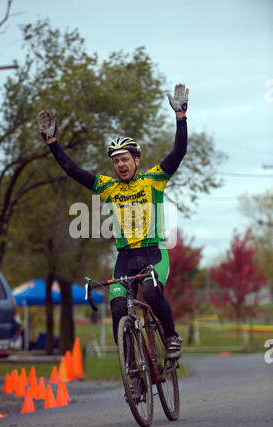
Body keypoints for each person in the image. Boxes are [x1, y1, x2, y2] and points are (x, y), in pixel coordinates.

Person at [37, 83, 188, 359]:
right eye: (116, 160)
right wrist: (52, 143)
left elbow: (178, 153)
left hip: (154, 252)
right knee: (117, 304)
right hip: (125, 257)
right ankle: (131, 367)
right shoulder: (108, 187)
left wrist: (180, 117)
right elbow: (74, 172)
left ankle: (171, 336)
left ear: (136, 160)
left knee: (152, 293)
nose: (120, 164)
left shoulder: (154, 179)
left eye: (125, 159)